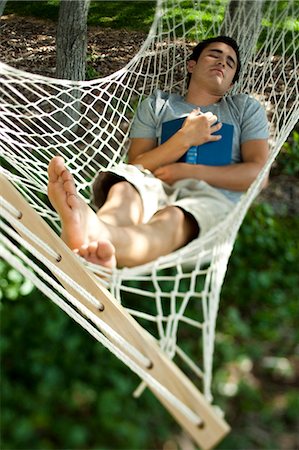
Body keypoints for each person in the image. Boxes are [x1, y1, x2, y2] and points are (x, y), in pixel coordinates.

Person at [47, 35, 269, 269]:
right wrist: (184, 139)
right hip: (155, 185)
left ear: (231, 83)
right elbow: (137, 165)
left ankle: (97, 239)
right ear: (191, 65)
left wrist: (187, 171)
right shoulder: (157, 105)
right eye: (214, 54)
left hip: (211, 196)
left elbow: (258, 175)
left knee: (174, 217)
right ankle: (98, 242)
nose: (222, 62)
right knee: (124, 188)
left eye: (230, 62)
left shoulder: (244, 108)